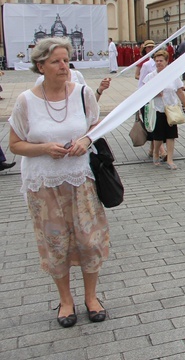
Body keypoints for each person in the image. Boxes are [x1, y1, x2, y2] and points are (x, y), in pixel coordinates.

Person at [8, 37, 109, 328]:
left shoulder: (82, 93)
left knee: (89, 242)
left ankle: (91, 297)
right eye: (56, 61)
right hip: (44, 186)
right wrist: (43, 148)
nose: (64, 66)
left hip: (81, 180)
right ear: (40, 66)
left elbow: (96, 125)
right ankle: (66, 300)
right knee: (56, 244)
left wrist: (87, 139)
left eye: (66, 60)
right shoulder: (26, 101)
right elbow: (15, 144)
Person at [142, 50, 185, 170]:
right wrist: (155, 94)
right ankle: (156, 152)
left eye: (161, 61)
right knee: (158, 137)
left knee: (171, 135)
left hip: (171, 109)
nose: (159, 63)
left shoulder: (173, 76)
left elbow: (179, 92)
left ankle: (170, 159)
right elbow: (144, 94)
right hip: (158, 109)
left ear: (167, 62)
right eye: (157, 61)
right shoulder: (150, 77)